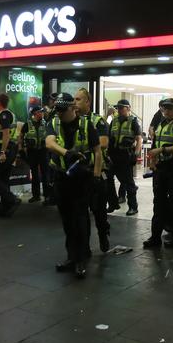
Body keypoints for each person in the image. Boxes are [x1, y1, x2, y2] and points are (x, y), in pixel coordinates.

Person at [46, 93, 102, 278]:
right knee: (67, 220)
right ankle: (72, 256)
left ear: (73, 108)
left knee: (79, 219)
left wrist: (96, 175)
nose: (59, 114)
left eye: (63, 110)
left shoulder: (87, 125)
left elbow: (97, 151)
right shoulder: (54, 123)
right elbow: (49, 143)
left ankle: (80, 259)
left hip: (81, 179)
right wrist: (66, 153)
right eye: (58, 110)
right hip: (62, 178)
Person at [144, 98, 173, 249]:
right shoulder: (161, 124)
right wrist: (152, 159)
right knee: (158, 203)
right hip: (161, 168)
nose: (167, 111)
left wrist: (162, 150)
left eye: (170, 108)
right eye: (164, 108)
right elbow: (155, 143)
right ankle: (155, 237)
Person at [74, 88, 110, 253]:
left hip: (95, 172)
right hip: (78, 173)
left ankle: (103, 236)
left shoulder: (98, 121)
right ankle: (84, 246)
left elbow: (103, 142)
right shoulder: (71, 121)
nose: (75, 102)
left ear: (87, 102)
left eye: (78, 99)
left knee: (99, 212)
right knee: (81, 214)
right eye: (74, 99)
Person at [107, 99, 142, 216]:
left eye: (122, 107)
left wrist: (136, 154)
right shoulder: (114, 121)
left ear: (128, 108)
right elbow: (108, 138)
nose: (120, 110)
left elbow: (139, 139)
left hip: (125, 155)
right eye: (118, 108)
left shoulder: (133, 122)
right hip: (113, 155)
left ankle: (133, 206)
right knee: (108, 179)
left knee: (128, 182)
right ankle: (113, 203)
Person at [0, 93, 21, 217]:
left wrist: (2, 152)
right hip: (9, 149)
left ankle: (12, 199)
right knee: (3, 179)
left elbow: (6, 134)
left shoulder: (4, 114)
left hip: (5, 149)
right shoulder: (8, 114)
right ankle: (4, 210)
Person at [17, 105, 49, 203]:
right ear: (35, 113)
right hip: (32, 152)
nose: (42, 113)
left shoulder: (45, 123)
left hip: (43, 151)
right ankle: (36, 196)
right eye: (40, 112)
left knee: (45, 174)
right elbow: (21, 136)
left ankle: (47, 195)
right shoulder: (27, 124)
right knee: (34, 174)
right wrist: (20, 148)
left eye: (42, 112)